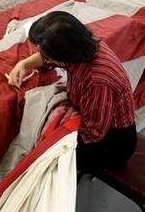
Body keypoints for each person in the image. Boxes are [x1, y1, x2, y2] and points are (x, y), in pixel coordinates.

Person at [8, 11, 137, 171]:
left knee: (41, 155)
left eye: (45, 52)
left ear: (63, 56)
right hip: (94, 119)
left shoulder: (97, 80)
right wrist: (23, 64)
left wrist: (53, 129)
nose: (41, 55)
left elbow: (94, 133)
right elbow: (51, 58)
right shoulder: (84, 46)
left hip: (111, 143)